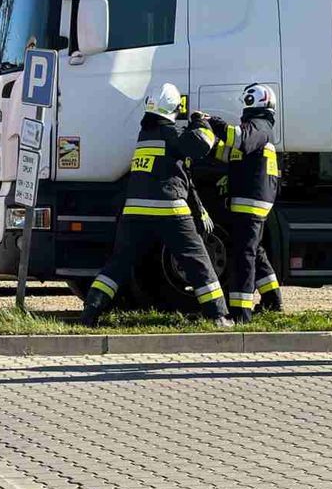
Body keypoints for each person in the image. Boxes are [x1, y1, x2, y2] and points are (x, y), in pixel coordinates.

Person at [81, 83, 232, 327]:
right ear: (173, 109)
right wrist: (200, 122)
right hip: (170, 211)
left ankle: (90, 312)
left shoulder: (145, 136)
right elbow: (199, 146)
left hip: (135, 214)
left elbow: (179, 171)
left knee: (118, 264)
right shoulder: (169, 135)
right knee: (197, 260)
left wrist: (199, 206)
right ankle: (218, 316)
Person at [206, 84, 282, 323]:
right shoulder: (258, 127)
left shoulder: (259, 127)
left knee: (243, 255)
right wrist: (203, 137)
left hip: (251, 202)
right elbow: (227, 154)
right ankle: (272, 300)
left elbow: (238, 139)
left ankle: (241, 314)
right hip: (249, 200)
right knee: (255, 251)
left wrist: (213, 122)